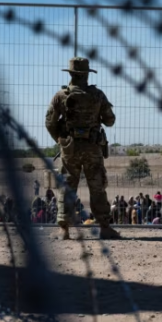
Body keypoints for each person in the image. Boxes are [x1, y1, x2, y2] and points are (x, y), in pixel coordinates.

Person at [45, 57, 120, 240]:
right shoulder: (97, 95)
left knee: (68, 186)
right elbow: (110, 120)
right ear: (87, 74)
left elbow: (49, 123)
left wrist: (61, 140)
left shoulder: (60, 96)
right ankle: (104, 226)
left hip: (69, 149)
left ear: (70, 74)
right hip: (93, 147)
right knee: (97, 186)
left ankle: (64, 229)